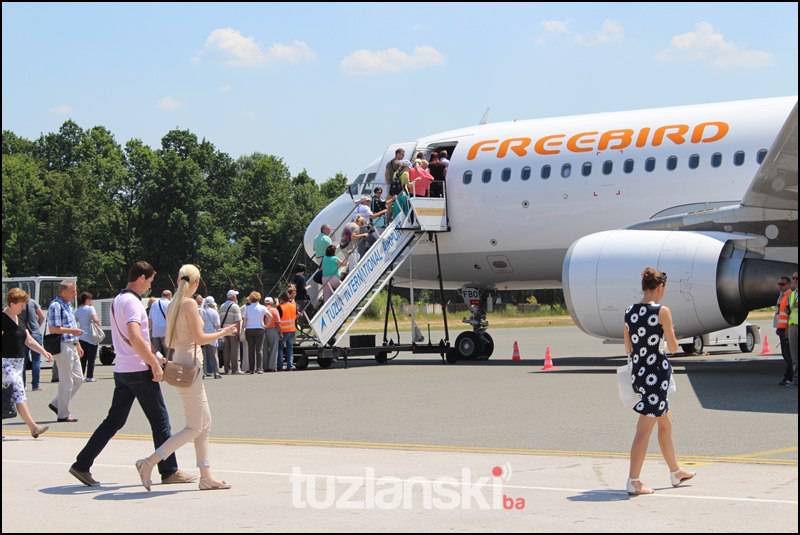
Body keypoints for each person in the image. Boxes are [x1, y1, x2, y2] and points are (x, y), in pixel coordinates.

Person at [69, 261, 196, 487]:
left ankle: (82, 464)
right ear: (141, 278)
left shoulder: (119, 299)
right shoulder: (133, 303)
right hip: (139, 370)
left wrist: (154, 356)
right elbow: (135, 336)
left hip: (123, 369)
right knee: (160, 421)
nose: (150, 285)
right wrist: (153, 364)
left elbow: (131, 339)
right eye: (149, 280)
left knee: (114, 421)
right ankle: (168, 470)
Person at [135, 264, 237, 491]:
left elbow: (172, 340)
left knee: (204, 423)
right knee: (195, 426)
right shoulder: (189, 303)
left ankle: (206, 475)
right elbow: (200, 338)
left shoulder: (173, 304)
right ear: (196, 283)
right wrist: (225, 332)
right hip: (190, 366)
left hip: (180, 364)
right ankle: (149, 462)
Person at [623, 267, 695, 495]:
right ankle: (633, 480)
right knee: (644, 429)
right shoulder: (662, 311)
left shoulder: (630, 311)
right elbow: (673, 347)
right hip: (657, 374)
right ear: (660, 287)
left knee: (665, 423)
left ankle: (675, 471)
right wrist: (667, 335)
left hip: (640, 372)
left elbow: (628, 347)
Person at [3, 288, 52, 439]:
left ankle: (33, 428)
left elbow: (28, 340)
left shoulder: (20, 319)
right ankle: (34, 426)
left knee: (18, 395)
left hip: (18, 363)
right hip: (5, 363)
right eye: (21, 304)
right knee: (17, 387)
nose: (23, 307)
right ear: (12, 303)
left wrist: (43, 351)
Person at [47, 280, 84, 422]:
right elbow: (53, 328)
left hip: (71, 345)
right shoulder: (55, 306)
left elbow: (72, 325)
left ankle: (57, 403)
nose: (75, 293)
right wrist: (73, 331)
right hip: (62, 345)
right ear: (63, 291)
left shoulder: (67, 305)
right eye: (72, 291)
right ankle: (63, 414)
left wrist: (77, 344)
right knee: (66, 380)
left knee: (78, 379)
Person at [19, 295, 45, 391]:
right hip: (35, 334)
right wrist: (37, 326)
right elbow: (42, 316)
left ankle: (23, 385)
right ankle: (35, 385)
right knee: (36, 360)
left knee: (23, 361)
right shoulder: (33, 302)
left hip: (23, 334)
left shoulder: (18, 304)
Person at [75, 291, 101, 383]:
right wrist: (98, 322)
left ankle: (80, 376)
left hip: (81, 337)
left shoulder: (77, 310)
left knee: (82, 358)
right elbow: (96, 320)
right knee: (91, 359)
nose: (91, 301)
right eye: (90, 299)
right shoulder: (91, 308)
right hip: (91, 337)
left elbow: (74, 321)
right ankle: (89, 376)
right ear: (87, 299)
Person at [242, 292, 268, 374]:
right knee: (259, 350)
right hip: (260, 329)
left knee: (251, 350)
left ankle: (251, 369)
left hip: (249, 329)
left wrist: (243, 329)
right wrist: (266, 325)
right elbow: (270, 315)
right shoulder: (262, 307)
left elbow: (244, 320)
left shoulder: (247, 308)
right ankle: (259, 368)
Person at [774, 276, 793, 386]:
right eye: (779, 284)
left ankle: (789, 377)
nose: (780, 286)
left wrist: (786, 330)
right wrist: (778, 327)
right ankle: (788, 376)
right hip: (781, 328)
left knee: (788, 355)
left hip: (786, 329)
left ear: (788, 285)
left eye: (783, 284)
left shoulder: (789, 295)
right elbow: (779, 314)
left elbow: (789, 314)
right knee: (786, 354)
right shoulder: (782, 296)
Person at [219, 290, 242, 375]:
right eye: (235, 296)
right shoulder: (235, 306)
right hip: (233, 330)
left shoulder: (222, 306)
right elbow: (238, 321)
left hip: (224, 331)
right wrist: (238, 332)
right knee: (234, 350)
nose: (236, 297)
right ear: (233, 297)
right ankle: (235, 369)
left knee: (226, 350)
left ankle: (226, 369)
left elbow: (220, 319)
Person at [201, 297, 222, 379]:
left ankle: (203, 373)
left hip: (202, 334)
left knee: (202, 356)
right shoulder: (214, 312)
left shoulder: (200, 311)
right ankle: (216, 373)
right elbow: (217, 325)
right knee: (213, 355)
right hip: (212, 335)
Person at [277, 292, 297, 371]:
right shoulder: (294, 306)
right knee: (290, 348)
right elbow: (295, 316)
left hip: (283, 330)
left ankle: (280, 365)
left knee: (280, 348)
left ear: (282, 299)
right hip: (292, 329)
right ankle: (290, 365)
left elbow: (278, 320)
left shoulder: (280, 307)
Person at [149, 290, 172, 357]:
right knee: (168, 354)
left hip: (155, 332)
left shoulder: (154, 304)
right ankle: (168, 367)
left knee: (157, 354)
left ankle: (159, 367)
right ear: (169, 296)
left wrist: (151, 330)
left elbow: (150, 319)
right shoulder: (170, 303)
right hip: (166, 332)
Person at [263, 297, 281, 372]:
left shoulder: (262, 309)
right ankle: (272, 366)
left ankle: (265, 366)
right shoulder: (274, 310)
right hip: (273, 330)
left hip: (263, 330)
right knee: (274, 348)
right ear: (272, 303)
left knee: (264, 349)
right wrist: (280, 332)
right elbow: (278, 323)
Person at [788, 272, 799, 388]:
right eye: (794, 278)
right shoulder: (793, 294)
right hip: (792, 326)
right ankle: (795, 380)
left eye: (797, 278)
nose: (795, 280)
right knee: (794, 356)